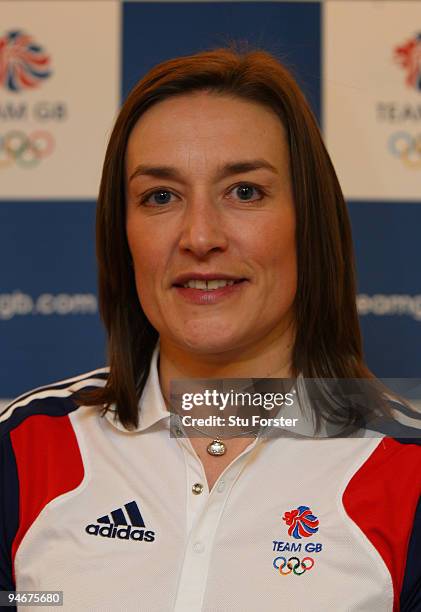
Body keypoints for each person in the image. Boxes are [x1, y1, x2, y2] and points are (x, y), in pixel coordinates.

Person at [0, 47, 420, 612]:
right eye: (161, 197)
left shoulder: (409, 470)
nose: (200, 236)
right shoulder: (22, 450)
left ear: (309, 221)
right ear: (121, 234)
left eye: (245, 191)